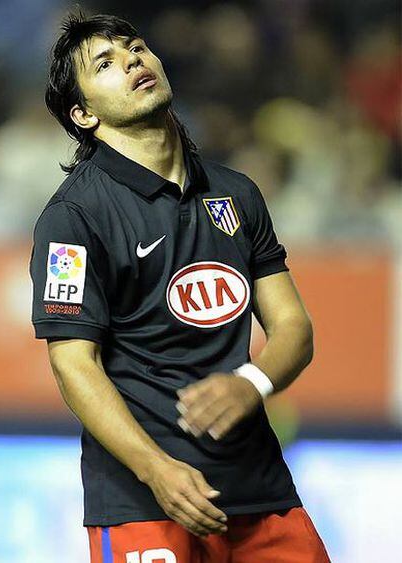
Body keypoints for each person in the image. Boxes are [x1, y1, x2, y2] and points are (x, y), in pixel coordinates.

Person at [30, 12, 330, 563]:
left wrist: (252, 381)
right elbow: (74, 365)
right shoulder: (72, 219)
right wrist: (155, 470)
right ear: (83, 114)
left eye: (136, 48)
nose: (132, 61)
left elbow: (293, 326)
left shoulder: (237, 194)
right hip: (143, 501)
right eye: (106, 63)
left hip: (258, 492)